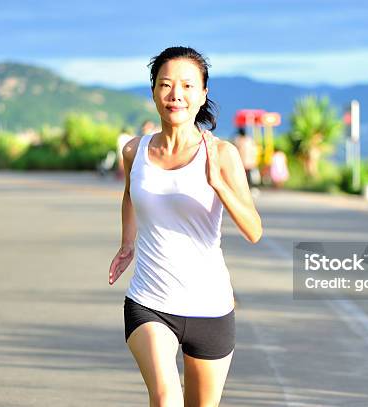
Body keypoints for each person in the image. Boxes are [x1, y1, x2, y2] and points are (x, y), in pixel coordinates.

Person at [108, 46, 263, 407]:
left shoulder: (222, 154)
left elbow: (254, 230)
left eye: (187, 86)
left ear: (203, 93)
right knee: (165, 398)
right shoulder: (134, 150)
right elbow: (131, 194)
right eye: (165, 84)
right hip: (150, 301)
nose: (175, 94)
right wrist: (127, 242)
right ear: (153, 92)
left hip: (210, 307)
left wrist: (218, 183)